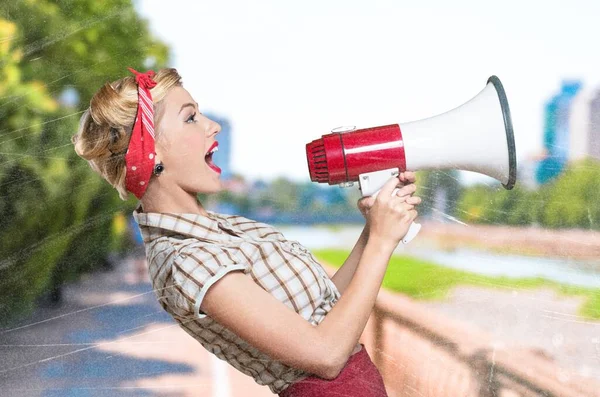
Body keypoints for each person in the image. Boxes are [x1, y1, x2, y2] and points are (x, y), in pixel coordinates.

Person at [71, 67, 421, 396]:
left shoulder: (228, 229)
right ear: (151, 154)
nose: (212, 126)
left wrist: (373, 228)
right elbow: (326, 356)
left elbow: (325, 307)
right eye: (191, 117)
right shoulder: (186, 261)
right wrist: (381, 241)